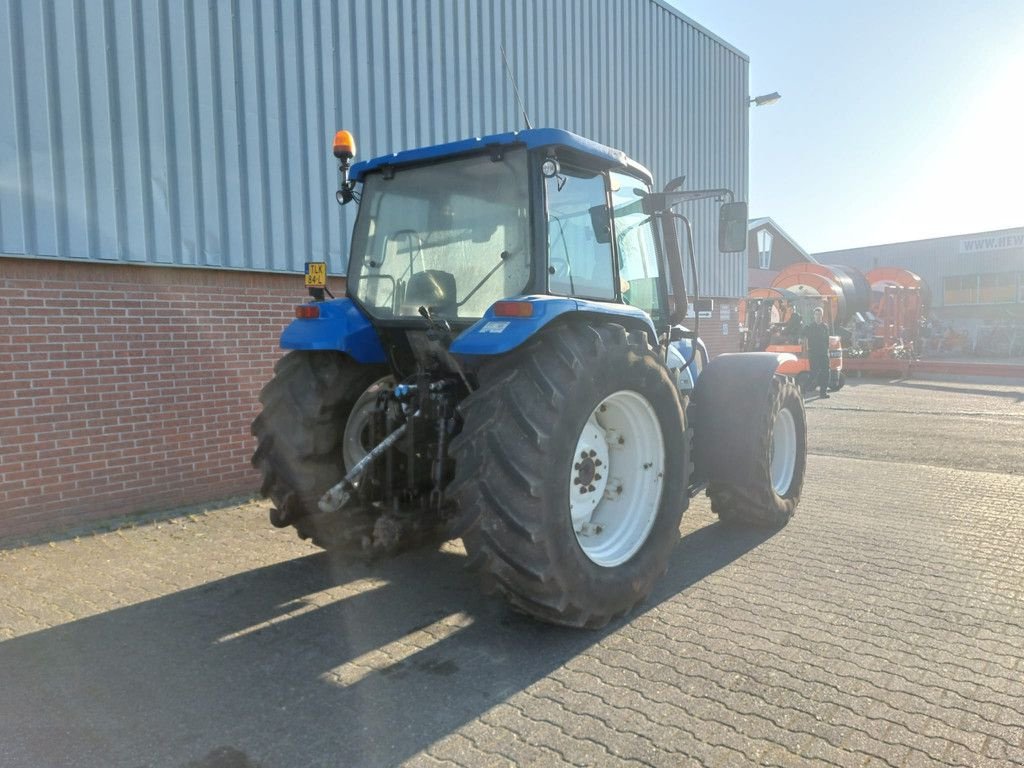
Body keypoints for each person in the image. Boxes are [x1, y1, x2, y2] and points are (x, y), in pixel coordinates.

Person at [804, 306, 831, 399]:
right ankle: (803, 390)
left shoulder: (825, 327)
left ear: (822, 315)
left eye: (820, 314)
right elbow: (802, 335)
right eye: (816, 314)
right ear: (814, 315)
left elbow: (827, 341)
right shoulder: (809, 327)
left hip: (823, 354)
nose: (818, 316)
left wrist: (827, 351)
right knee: (814, 373)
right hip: (813, 353)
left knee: (826, 373)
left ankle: (823, 393)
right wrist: (800, 339)